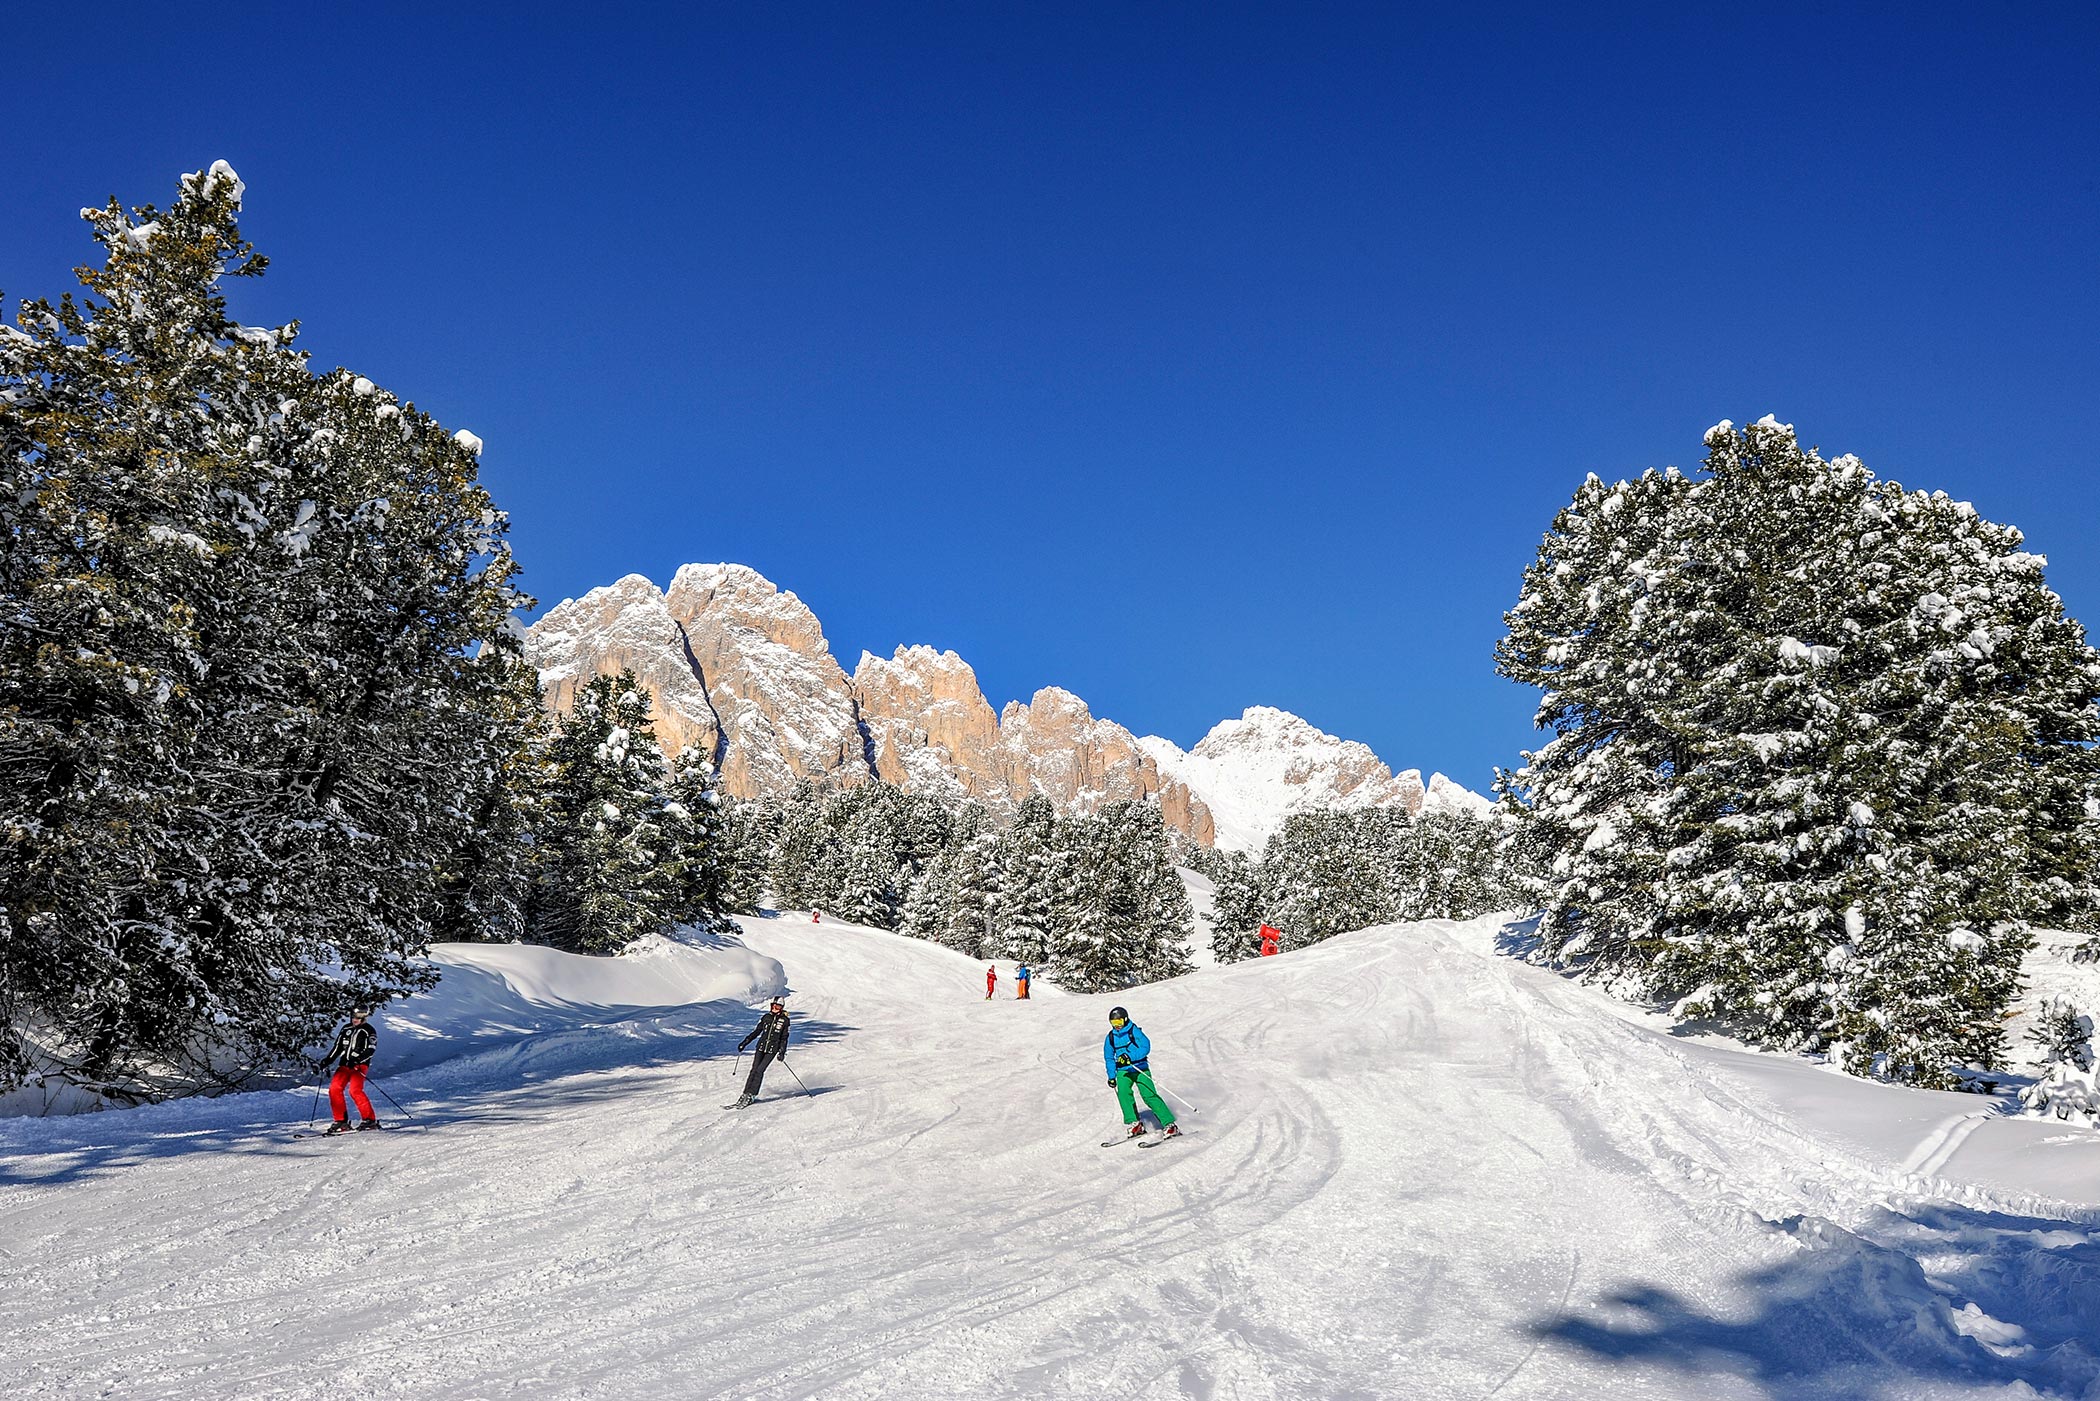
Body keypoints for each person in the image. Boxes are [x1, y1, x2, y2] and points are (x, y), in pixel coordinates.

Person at [1103, 1006, 1179, 1141]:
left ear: (1125, 1020)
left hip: (1140, 1068)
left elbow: (1146, 1046)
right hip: (1123, 1070)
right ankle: (1135, 1123)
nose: (1117, 1026)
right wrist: (1111, 1076)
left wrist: (1130, 1057)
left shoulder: (1134, 1031)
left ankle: (1169, 1124)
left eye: (1119, 1022)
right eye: (1114, 1024)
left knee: (1149, 1095)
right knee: (1123, 1094)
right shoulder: (1110, 1038)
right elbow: (1109, 1057)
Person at [318, 1008, 380, 1134]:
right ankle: (341, 1121)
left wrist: (357, 1059)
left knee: (355, 1090)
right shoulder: (346, 1029)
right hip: (344, 1065)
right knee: (334, 1089)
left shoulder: (368, 1030)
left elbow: (371, 1049)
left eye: (357, 1018)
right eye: (353, 1018)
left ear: (363, 1018)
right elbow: (338, 1047)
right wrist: (328, 1060)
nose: (354, 1020)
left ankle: (369, 1119)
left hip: (359, 1065)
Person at [732, 999, 792, 1108]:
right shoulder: (766, 1017)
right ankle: (745, 1093)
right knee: (754, 1069)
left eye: (778, 1007)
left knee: (760, 1070)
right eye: (773, 1005)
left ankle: (752, 1094)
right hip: (761, 1047)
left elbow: (784, 1038)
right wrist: (745, 1042)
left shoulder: (784, 1021)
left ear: (781, 1008)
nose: (775, 1008)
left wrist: (782, 1051)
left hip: (772, 1050)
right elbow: (757, 1031)